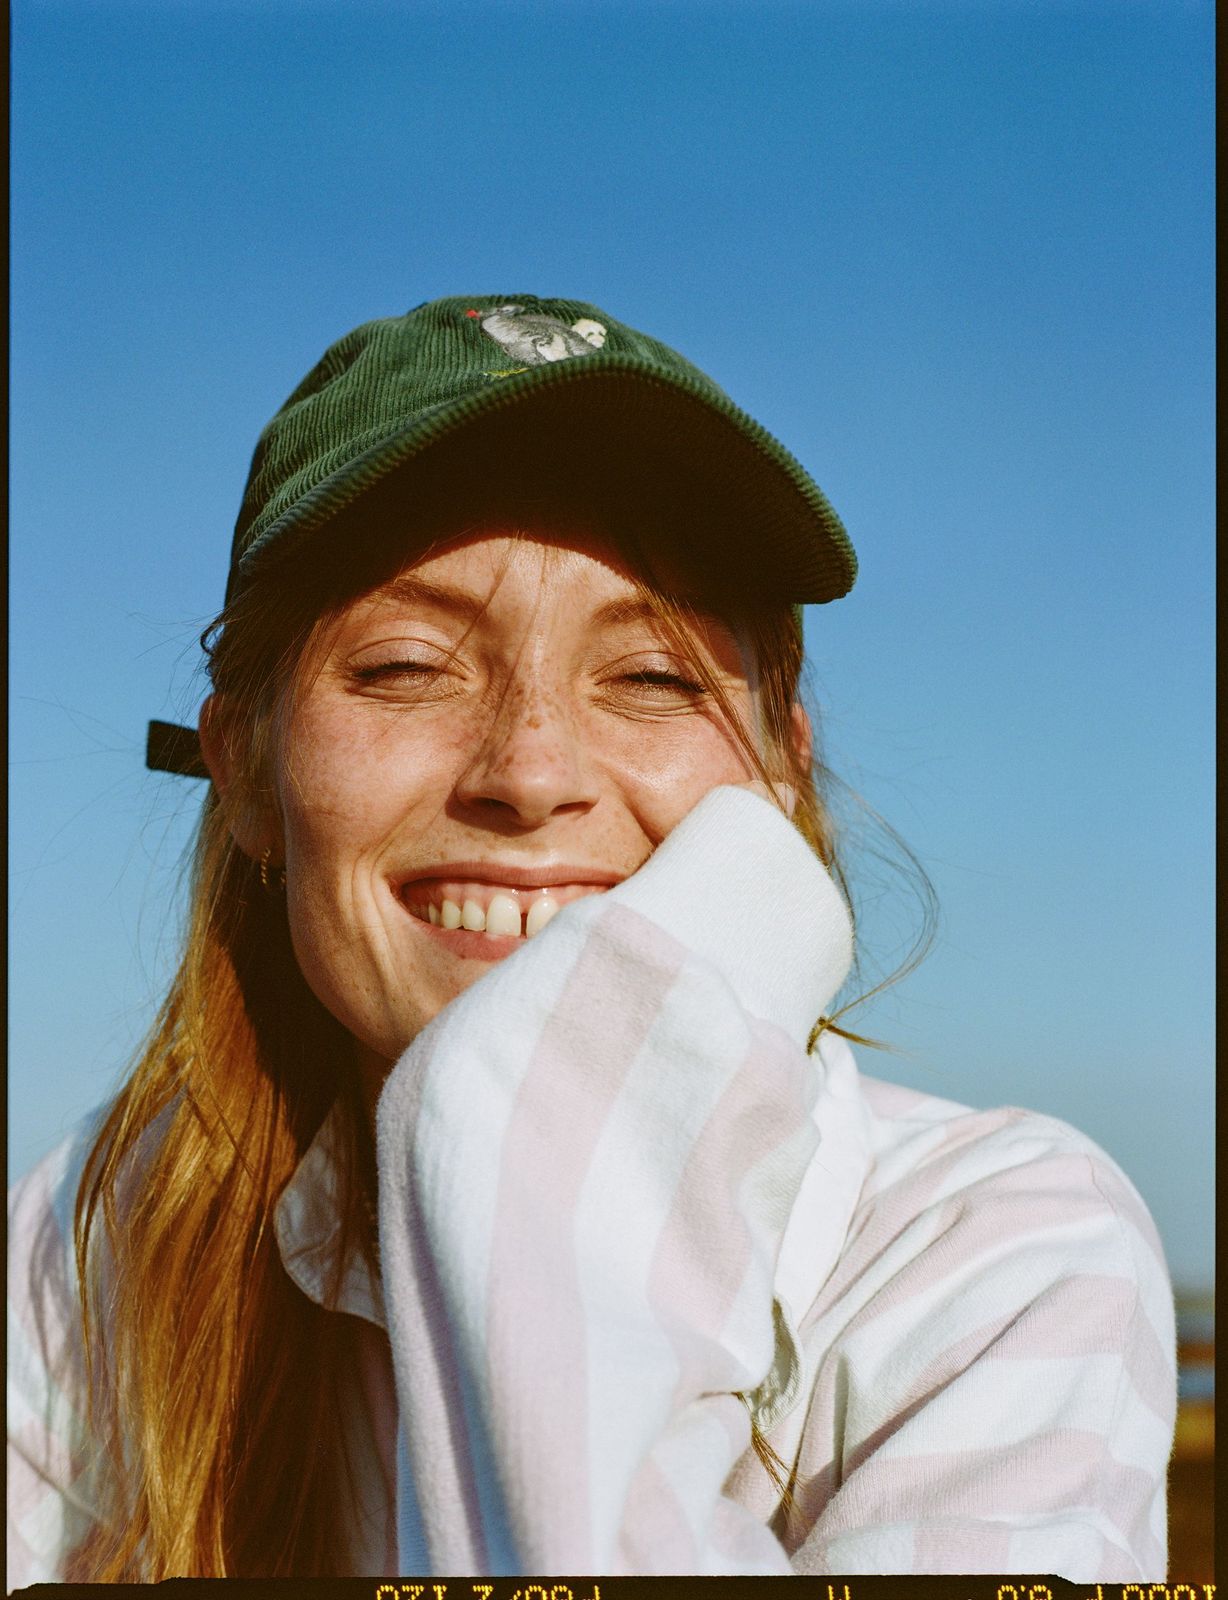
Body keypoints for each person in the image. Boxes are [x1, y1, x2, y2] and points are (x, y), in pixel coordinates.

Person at [7, 295, 1176, 1583]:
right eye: (405, 667)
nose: (532, 769)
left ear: (783, 778)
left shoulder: (990, 1252)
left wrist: (536, 1129)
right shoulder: (96, 1239)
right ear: (243, 770)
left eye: (653, 677)